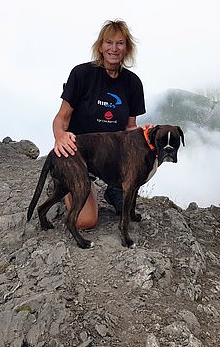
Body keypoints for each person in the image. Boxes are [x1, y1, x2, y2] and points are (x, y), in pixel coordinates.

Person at [52, 19, 150, 230]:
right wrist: (60, 136)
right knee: (85, 222)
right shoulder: (81, 74)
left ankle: (113, 187)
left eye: (120, 43)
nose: (114, 49)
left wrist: (145, 136)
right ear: (100, 46)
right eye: (109, 42)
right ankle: (71, 183)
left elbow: (130, 127)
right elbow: (62, 118)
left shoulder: (133, 83)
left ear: (127, 48)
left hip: (111, 156)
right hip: (79, 153)